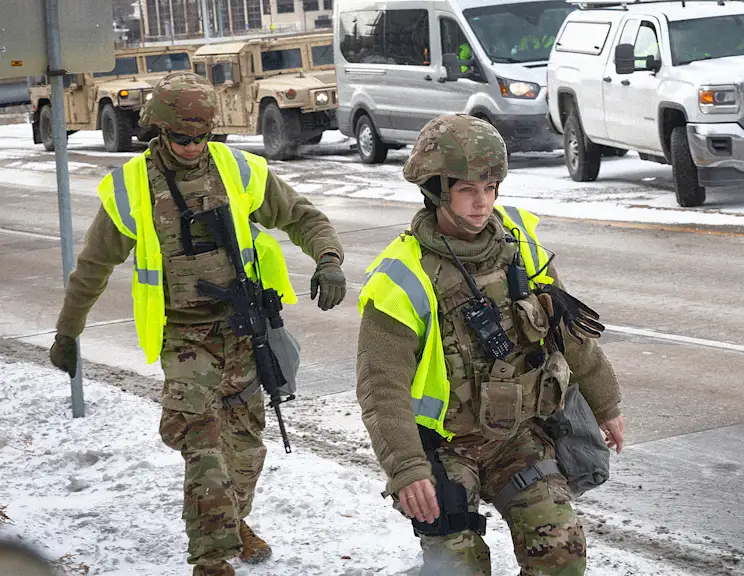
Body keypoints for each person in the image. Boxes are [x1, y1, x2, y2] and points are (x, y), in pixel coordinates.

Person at [46, 71, 348, 576]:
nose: (190, 146)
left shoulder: (239, 170)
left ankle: (233, 521)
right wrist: (67, 331)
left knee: (246, 450)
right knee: (204, 447)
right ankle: (210, 561)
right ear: (158, 131)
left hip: (243, 330)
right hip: (184, 337)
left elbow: (302, 215)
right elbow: (93, 267)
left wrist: (329, 259)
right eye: (179, 137)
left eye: (200, 136)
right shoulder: (132, 188)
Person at [355, 113, 625, 575]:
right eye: (467, 190)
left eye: (491, 188)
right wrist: (406, 467)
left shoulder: (521, 245)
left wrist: (607, 403)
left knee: (561, 553)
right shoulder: (402, 275)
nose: (482, 203)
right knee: (459, 567)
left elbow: (568, 330)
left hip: (518, 438)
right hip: (443, 448)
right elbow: (381, 388)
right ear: (437, 190)